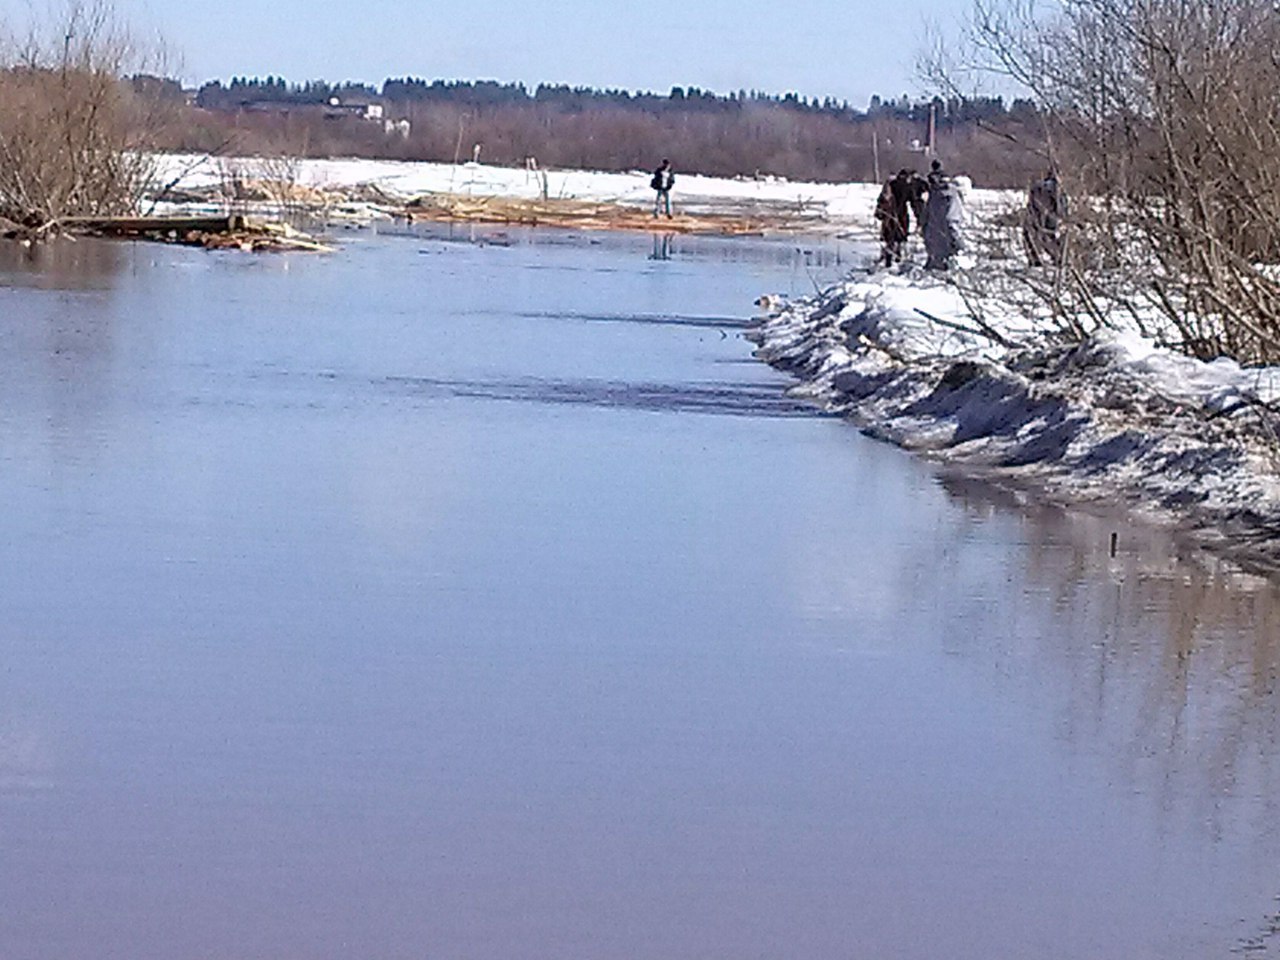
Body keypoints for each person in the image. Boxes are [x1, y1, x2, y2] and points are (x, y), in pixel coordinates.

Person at [923, 167, 965, 271]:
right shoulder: (949, 196)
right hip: (943, 243)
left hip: (936, 244)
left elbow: (926, 218)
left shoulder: (938, 195)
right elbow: (951, 220)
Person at [1023, 169, 1066, 266]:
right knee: (1050, 237)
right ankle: (1058, 258)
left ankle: (1034, 259)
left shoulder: (1037, 186)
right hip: (1049, 216)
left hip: (1036, 215)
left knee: (1029, 236)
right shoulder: (1057, 189)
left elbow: (1033, 201)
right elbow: (1062, 206)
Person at [875, 169, 914, 266]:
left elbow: (881, 199)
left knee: (889, 237)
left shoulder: (890, 185)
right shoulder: (907, 187)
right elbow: (913, 200)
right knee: (900, 237)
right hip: (902, 214)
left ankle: (888, 259)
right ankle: (898, 256)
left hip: (889, 215)